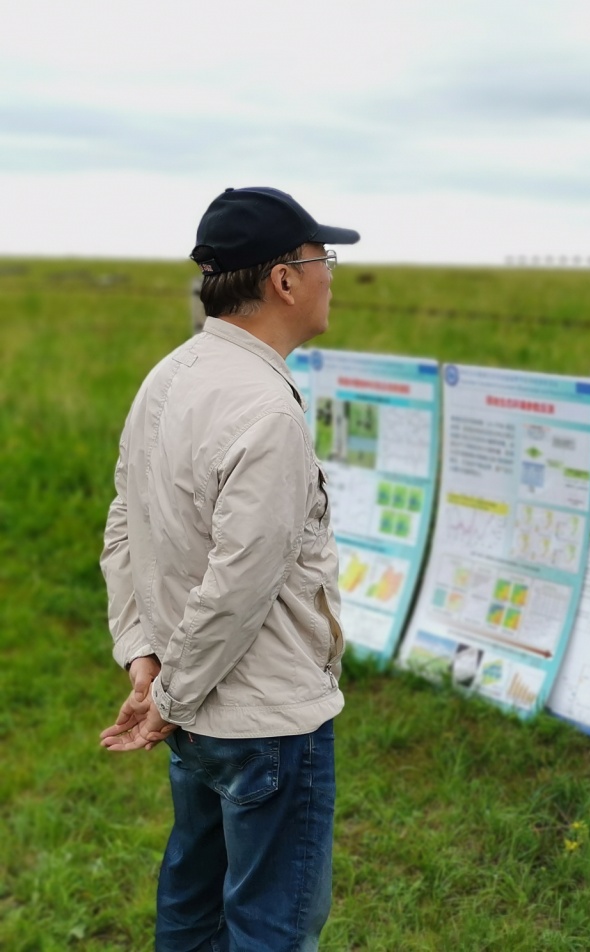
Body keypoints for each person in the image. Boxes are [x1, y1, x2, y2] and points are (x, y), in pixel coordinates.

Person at [99, 186, 360, 950]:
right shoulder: (267, 411)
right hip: (264, 722)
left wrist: (145, 660)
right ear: (283, 279)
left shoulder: (166, 377)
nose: (330, 274)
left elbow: (124, 523)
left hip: (189, 703)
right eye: (322, 258)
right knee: (270, 928)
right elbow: (240, 585)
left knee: (192, 904)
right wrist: (168, 694)